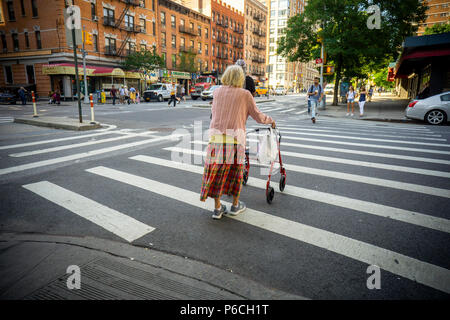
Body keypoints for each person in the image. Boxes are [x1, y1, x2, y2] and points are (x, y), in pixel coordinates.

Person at [200, 65, 275, 219]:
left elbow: (214, 112)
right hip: (235, 140)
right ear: (240, 78)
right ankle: (235, 205)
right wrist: (271, 121)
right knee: (235, 174)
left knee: (216, 174)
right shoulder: (245, 94)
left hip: (215, 139)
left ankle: (217, 208)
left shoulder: (217, 91)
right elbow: (258, 116)